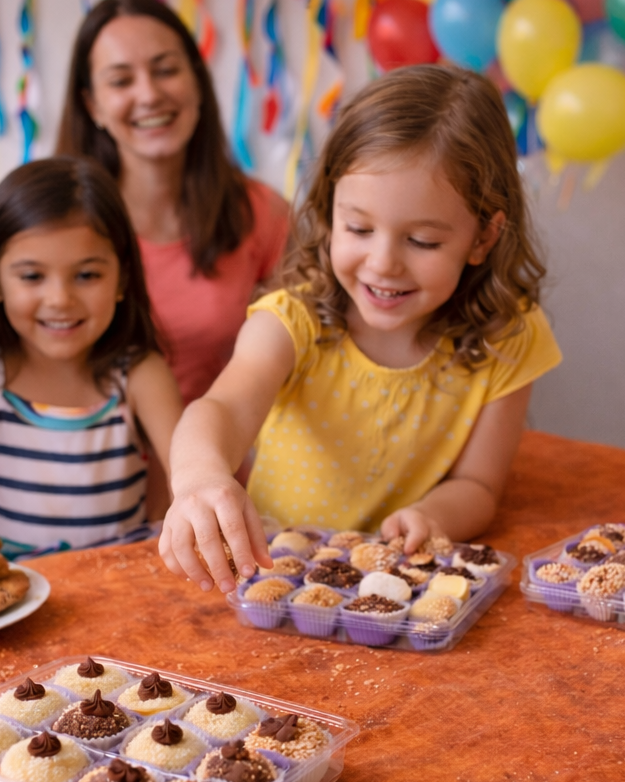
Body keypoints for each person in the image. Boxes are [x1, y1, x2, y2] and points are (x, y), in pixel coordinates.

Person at [160, 65, 562, 592]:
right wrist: (200, 478)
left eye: (421, 241)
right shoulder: (291, 320)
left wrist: (432, 516)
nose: (383, 263)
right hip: (275, 584)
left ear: (484, 237)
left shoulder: (510, 336)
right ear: (330, 211)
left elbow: (478, 484)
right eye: (359, 228)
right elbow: (221, 410)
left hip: (399, 591)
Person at [0, 157, 183, 558]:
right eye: (32, 276)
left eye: (87, 275)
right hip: (9, 608)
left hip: (121, 603)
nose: (60, 300)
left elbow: (182, 492)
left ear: (122, 279)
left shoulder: (140, 374)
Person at [56, 0, 290, 406]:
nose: (148, 94)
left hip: (218, 465)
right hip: (92, 464)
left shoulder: (263, 213)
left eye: (165, 70)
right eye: (121, 80)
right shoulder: (54, 220)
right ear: (92, 104)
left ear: (198, 82)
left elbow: (307, 350)